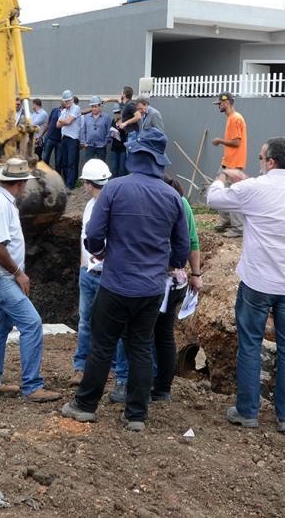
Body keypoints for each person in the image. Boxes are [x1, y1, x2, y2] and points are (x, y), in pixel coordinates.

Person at [60, 128, 190, 432]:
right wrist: (166, 265)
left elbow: (92, 236)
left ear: (134, 156)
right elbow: (182, 248)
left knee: (102, 345)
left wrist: (101, 253)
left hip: (116, 284)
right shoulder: (173, 197)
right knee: (141, 347)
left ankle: (85, 406)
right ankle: (135, 415)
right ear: (159, 161)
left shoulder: (115, 189)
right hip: (151, 289)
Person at [206, 137, 285, 433]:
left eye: (261, 158)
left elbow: (213, 199)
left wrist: (222, 176)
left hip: (257, 283)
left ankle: (248, 412)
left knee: (249, 345)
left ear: (271, 162)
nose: (259, 163)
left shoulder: (254, 189)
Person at [110, 176, 203, 403]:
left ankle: (133, 385)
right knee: (163, 335)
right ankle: (162, 389)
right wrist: (195, 273)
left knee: (138, 334)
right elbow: (192, 242)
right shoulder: (182, 202)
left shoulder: (152, 202)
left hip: (153, 280)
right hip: (175, 282)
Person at [0, 158, 61, 402]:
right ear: (20, 183)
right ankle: (32, 386)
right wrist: (18, 273)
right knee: (32, 323)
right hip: (0, 277)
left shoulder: (0, 200)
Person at [70, 158, 112, 387]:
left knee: (106, 324)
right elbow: (83, 239)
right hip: (89, 274)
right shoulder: (88, 207)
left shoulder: (114, 206)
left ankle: (110, 368)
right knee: (86, 322)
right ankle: (81, 366)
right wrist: (82, 266)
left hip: (107, 276)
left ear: (88, 184)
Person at [211, 92, 248, 238]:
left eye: (219, 103)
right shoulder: (231, 118)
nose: (218, 106)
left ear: (226, 103)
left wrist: (219, 141)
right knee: (219, 191)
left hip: (234, 164)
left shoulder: (235, 119)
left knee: (233, 195)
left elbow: (236, 142)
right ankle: (226, 221)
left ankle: (238, 228)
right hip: (228, 162)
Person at [56, 90, 82, 188]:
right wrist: (63, 121)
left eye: (68, 101)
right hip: (65, 138)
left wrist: (62, 120)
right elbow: (57, 125)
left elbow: (68, 121)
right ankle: (68, 182)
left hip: (72, 139)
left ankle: (70, 185)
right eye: (65, 101)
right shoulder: (64, 111)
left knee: (71, 162)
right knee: (65, 162)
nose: (66, 102)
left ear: (72, 99)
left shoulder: (76, 108)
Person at [79, 96, 111, 163]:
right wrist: (84, 142)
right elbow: (83, 130)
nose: (94, 108)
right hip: (89, 146)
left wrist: (105, 143)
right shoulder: (87, 117)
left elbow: (108, 131)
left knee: (101, 166)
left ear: (100, 107)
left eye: (95, 106)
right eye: (92, 107)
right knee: (89, 165)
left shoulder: (106, 117)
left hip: (101, 146)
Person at [41, 102, 63, 168]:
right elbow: (48, 123)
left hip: (60, 141)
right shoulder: (54, 110)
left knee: (58, 162)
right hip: (49, 138)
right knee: (45, 159)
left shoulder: (68, 113)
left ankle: (58, 177)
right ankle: (45, 176)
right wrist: (41, 135)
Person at [108, 104, 127, 177]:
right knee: (114, 168)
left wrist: (122, 126)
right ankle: (114, 184)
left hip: (123, 148)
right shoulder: (113, 121)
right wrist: (112, 134)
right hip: (114, 147)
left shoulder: (126, 121)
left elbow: (127, 133)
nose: (117, 114)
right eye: (115, 113)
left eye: (118, 112)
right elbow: (112, 132)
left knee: (122, 169)